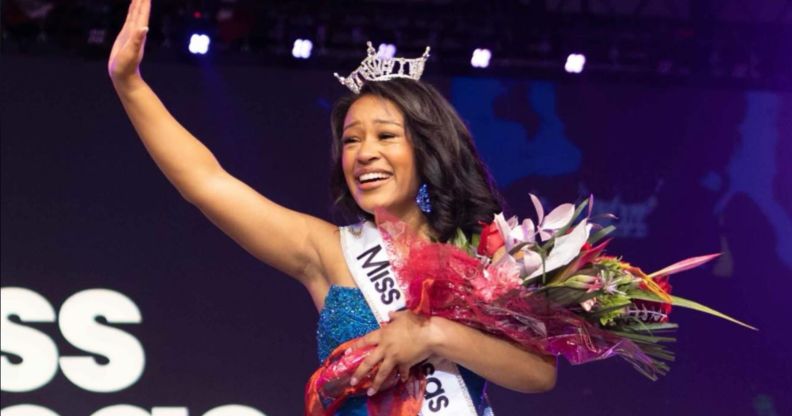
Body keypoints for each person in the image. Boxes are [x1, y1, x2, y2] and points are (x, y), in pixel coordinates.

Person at [108, 0, 557, 414]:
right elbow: (206, 183)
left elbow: (539, 373)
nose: (363, 154)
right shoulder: (328, 250)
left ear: (427, 149)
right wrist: (129, 85)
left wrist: (434, 334)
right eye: (350, 140)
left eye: (384, 136)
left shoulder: (484, 254)